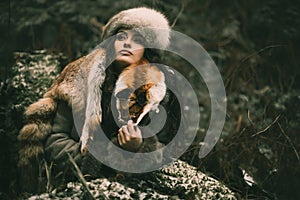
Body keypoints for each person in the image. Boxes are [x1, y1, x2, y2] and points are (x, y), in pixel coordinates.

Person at [17, 7, 181, 193]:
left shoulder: (153, 90)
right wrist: (96, 161)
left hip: (130, 187)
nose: (127, 43)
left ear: (147, 50)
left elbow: (162, 150)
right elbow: (55, 141)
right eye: (121, 37)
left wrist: (139, 146)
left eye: (137, 40)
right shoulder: (80, 76)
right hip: (73, 183)